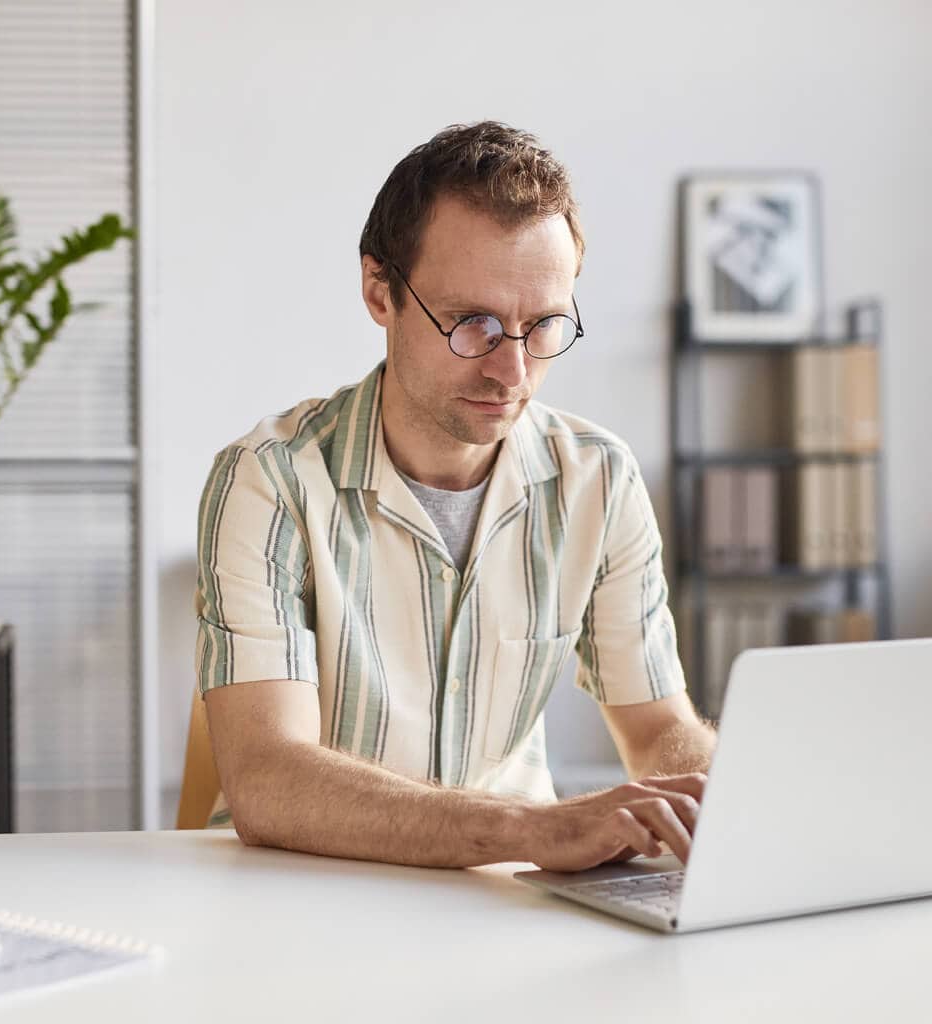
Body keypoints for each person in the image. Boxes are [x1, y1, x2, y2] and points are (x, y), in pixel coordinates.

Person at [195, 121, 717, 871]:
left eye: (542, 327)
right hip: (306, 897)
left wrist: (711, 797)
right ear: (381, 291)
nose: (512, 373)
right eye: (472, 324)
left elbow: (658, 726)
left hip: (508, 900)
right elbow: (268, 778)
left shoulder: (599, 479)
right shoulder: (269, 480)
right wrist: (529, 830)